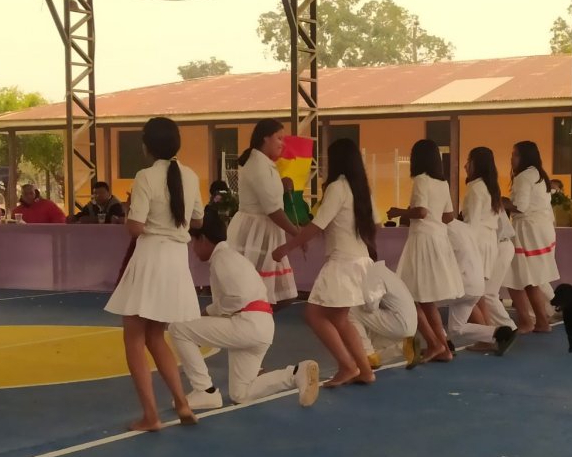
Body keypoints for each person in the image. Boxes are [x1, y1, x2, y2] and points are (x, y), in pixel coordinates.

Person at [105, 117, 203, 432]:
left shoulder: (146, 176)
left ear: (147, 145)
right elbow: (198, 220)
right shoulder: (190, 176)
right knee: (155, 335)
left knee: (133, 337)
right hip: (176, 260)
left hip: (150, 257)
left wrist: (134, 211)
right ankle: (181, 402)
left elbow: (134, 226)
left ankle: (151, 415)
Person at [169, 206, 320, 409]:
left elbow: (236, 299)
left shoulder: (222, 259)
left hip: (246, 324)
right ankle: (295, 373)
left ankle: (205, 390)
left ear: (203, 239)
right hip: (261, 326)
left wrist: (209, 313)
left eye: (193, 243)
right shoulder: (233, 257)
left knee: (178, 328)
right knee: (241, 393)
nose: (193, 251)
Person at [272, 138, 378, 387]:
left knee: (314, 314)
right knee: (340, 319)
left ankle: (347, 365)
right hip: (359, 259)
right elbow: (373, 224)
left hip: (342, 261)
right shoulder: (360, 189)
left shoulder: (338, 188)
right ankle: (363, 369)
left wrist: (286, 247)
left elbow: (318, 224)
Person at [388, 139, 463, 363]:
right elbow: (449, 216)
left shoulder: (420, 180)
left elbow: (420, 211)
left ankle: (435, 343)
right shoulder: (442, 183)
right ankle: (442, 347)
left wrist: (398, 211)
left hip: (422, 241)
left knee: (411, 297)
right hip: (439, 239)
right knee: (427, 300)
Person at [227, 119, 301, 305]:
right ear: (265, 138)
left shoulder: (263, 163)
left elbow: (268, 195)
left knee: (273, 296)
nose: (282, 143)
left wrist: (282, 185)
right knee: (258, 294)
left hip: (265, 231)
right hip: (256, 233)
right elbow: (272, 209)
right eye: (279, 138)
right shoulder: (258, 164)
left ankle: (256, 325)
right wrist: (297, 234)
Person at [502, 141, 559, 334]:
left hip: (528, 230)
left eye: (515, 154)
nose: (511, 158)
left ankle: (528, 321)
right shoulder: (539, 175)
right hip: (541, 229)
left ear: (524, 157)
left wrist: (500, 203)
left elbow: (521, 206)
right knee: (530, 277)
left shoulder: (524, 177)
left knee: (517, 278)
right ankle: (540, 321)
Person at [446, 219, 517, 355]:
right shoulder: (465, 228)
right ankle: (498, 333)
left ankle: (442, 343)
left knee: (424, 303)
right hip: (476, 284)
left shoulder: (444, 231)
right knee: (456, 328)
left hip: (461, 285)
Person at [348, 260, 420, 370]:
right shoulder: (386, 272)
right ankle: (404, 347)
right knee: (372, 346)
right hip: (408, 324)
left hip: (398, 323)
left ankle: (369, 356)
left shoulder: (373, 273)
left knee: (349, 310)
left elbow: (370, 306)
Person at [462, 147, 501, 280]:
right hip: (488, 242)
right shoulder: (488, 186)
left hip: (477, 242)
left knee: (473, 291)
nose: (465, 166)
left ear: (477, 164)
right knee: (479, 291)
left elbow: (472, 222)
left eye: (469, 161)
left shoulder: (476, 187)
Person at [479, 209, 517, 330]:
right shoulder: (494, 200)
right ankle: (498, 329)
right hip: (502, 245)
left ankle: (508, 328)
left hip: (500, 246)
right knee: (487, 293)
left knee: (488, 293)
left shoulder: (482, 197)